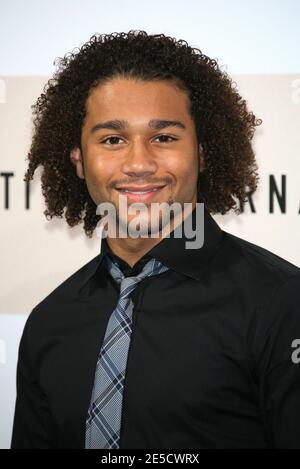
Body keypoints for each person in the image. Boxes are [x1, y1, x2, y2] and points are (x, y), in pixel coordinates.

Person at [11, 30, 300, 449]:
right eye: (113, 139)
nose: (139, 163)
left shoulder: (283, 303)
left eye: (164, 137)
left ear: (202, 153)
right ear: (78, 160)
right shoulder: (49, 322)